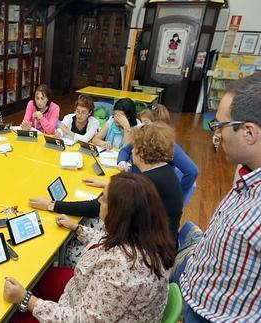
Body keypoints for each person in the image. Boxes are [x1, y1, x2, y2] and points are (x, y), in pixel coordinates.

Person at [4, 172, 176, 322]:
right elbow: (105, 240)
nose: (99, 200)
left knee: (12, 313)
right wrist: (77, 228)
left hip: (81, 312)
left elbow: (82, 320)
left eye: (104, 199)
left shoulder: (122, 268)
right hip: (85, 296)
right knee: (40, 279)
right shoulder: (144, 234)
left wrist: (26, 299)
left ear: (120, 214)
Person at [30, 122, 183, 265]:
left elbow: (96, 206)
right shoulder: (164, 173)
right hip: (156, 245)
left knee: (69, 250)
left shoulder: (148, 182)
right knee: (90, 223)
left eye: (133, 146)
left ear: (141, 150)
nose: (131, 150)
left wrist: (53, 205)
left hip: (146, 257)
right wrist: (109, 185)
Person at [181, 72, 261, 322]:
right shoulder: (247, 176)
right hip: (198, 299)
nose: (216, 135)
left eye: (220, 125)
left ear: (249, 132)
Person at [117, 104, 198, 199]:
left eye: (145, 123)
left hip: (147, 196)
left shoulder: (169, 146)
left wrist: (178, 195)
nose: (141, 126)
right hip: (134, 187)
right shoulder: (143, 138)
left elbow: (192, 171)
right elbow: (125, 150)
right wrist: (121, 161)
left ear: (158, 125)